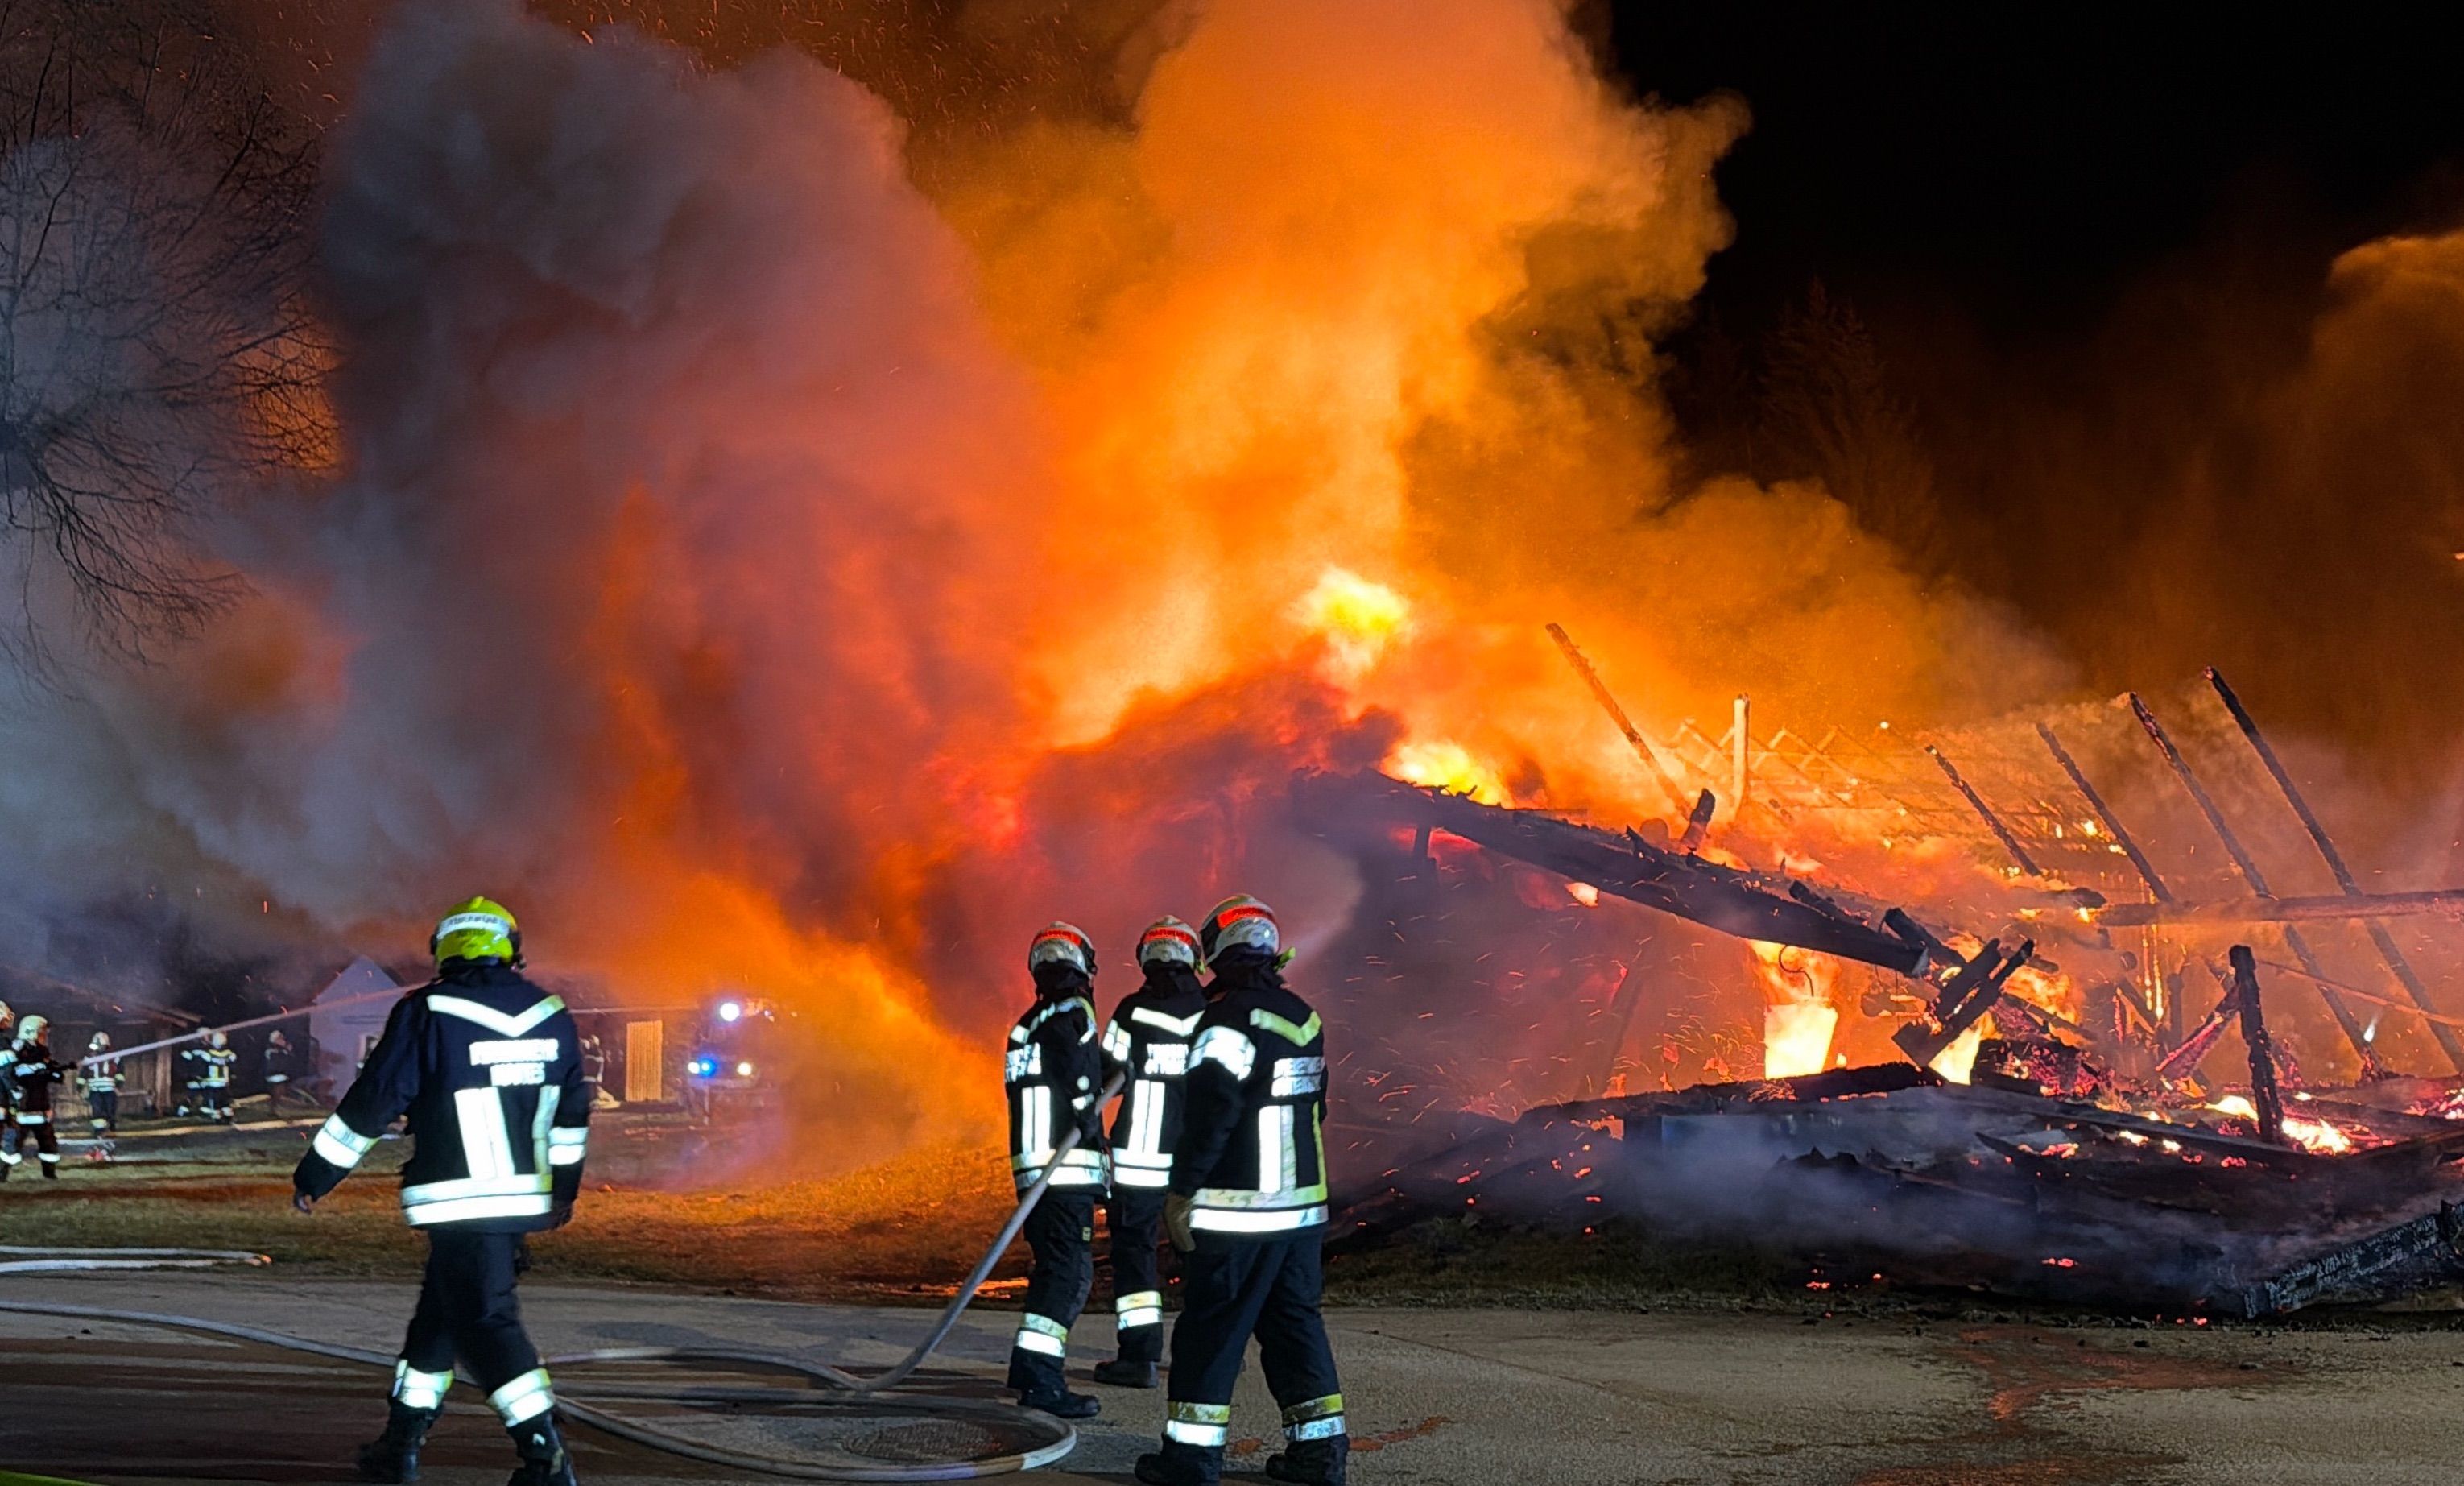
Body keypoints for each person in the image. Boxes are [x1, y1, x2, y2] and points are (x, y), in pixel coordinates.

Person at [292, 896, 591, 1486]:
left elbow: (375, 1102)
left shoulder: (426, 1011)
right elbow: (572, 1118)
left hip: (457, 1199)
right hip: (520, 1200)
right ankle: (399, 1444)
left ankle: (544, 1455)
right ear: (510, 946)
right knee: (438, 1321)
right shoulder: (552, 1013)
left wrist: (316, 1174)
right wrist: (563, 1192)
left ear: (444, 949)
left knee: (486, 1322)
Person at [1139, 896, 1347, 1486]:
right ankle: (1320, 1454)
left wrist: (1180, 1192)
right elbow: (1318, 1106)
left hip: (1236, 1217)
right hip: (1301, 1214)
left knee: (1212, 1330)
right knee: (1295, 1325)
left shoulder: (1222, 1024)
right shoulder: (1303, 1016)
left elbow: (1210, 1119)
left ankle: (1191, 1458)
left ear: (1215, 954)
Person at [1092, 916, 1209, 1389]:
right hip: (1198, 1161)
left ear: (1146, 958)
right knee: (1203, 1253)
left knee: (1135, 1253)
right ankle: (1210, 1348)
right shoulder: (1214, 1011)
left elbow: (1104, 1077)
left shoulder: (1131, 1012)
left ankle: (1139, 1357)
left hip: (1138, 1159)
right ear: (1194, 959)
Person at [1003, 921, 1110, 1420]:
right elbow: (1077, 1070)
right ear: (1082, 964)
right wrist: (1090, 1107)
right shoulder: (1076, 1010)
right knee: (1069, 1277)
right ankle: (1043, 1382)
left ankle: (1027, 1368)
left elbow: (1059, 1069)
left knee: (1050, 1272)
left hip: (1034, 1173)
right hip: (1065, 1170)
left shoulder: (1027, 1023)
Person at [3, 1016, 71, 1180]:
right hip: (23, 1106)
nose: (44, 1035)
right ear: (31, 1031)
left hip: (41, 1105)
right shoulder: (16, 1050)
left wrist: (56, 1072)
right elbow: (12, 1074)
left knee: (48, 1143)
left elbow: (50, 1074)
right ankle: (1, 1174)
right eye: (42, 1032)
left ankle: (49, 1174)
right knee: (12, 1145)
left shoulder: (42, 1051)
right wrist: (40, 1072)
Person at [181, 1029, 237, 1121]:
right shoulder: (228, 1053)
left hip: (213, 1081)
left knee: (215, 1100)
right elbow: (233, 1059)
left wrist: (190, 1054)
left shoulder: (209, 1053)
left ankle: (217, 1117)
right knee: (225, 1100)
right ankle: (228, 1116)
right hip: (224, 1081)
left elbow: (198, 1055)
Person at [80, 1032, 121, 1143]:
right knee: (97, 1111)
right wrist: (80, 1087)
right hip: (95, 1090)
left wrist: (118, 1086)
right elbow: (83, 1073)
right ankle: (99, 1131)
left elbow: (120, 1072)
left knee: (110, 1111)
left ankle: (111, 1128)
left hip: (109, 1090)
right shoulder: (89, 1057)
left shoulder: (115, 1056)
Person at [263, 1028, 309, 1114]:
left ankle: (277, 1107)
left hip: (283, 1075)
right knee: (278, 1090)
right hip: (273, 1075)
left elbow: (291, 1061)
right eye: (280, 1039)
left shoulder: (283, 1051)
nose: (283, 1040)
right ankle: (273, 1108)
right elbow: (277, 1061)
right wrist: (286, 1051)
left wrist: (288, 1051)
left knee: (282, 1090)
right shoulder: (271, 1051)